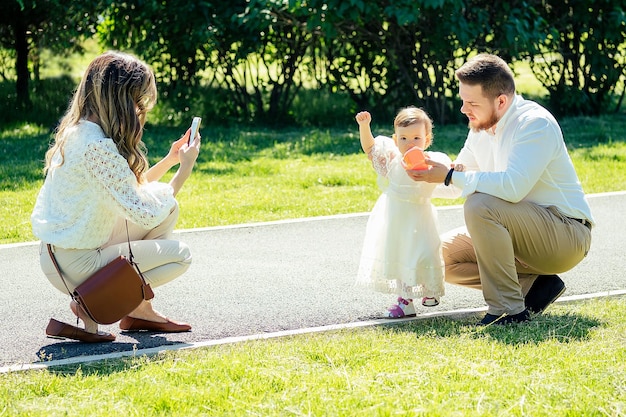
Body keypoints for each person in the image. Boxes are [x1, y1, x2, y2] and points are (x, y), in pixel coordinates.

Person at [407, 53, 594, 325]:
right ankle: (535, 287)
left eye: (471, 103)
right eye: (462, 100)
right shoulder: (481, 126)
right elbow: (458, 180)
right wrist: (413, 180)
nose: (463, 109)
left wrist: (448, 175)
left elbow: (512, 187)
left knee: (480, 205)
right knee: (434, 257)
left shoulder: (534, 123)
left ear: (501, 101)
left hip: (565, 234)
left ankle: (508, 310)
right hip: (518, 231)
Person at [31, 51, 201, 342]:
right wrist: (186, 168)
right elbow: (144, 212)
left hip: (63, 253)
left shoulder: (80, 132)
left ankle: (140, 310)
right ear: (119, 98)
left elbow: (128, 191)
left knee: (167, 210)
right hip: (78, 265)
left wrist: (172, 159)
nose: (139, 108)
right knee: (180, 256)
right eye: (136, 99)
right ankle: (94, 302)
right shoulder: (96, 147)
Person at [355, 107, 462, 318]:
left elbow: (451, 183)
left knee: (424, 251)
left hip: (420, 217)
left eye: (416, 137)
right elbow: (370, 149)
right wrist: (364, 126)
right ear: (395, 140)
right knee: (400, 253)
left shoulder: (434, 162)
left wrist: (456, 170)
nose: (410, 143)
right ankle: (405, 301)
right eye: (403, 138)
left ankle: (430, 290)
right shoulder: (393, 159)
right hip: (395, 218)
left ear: (427, 139)